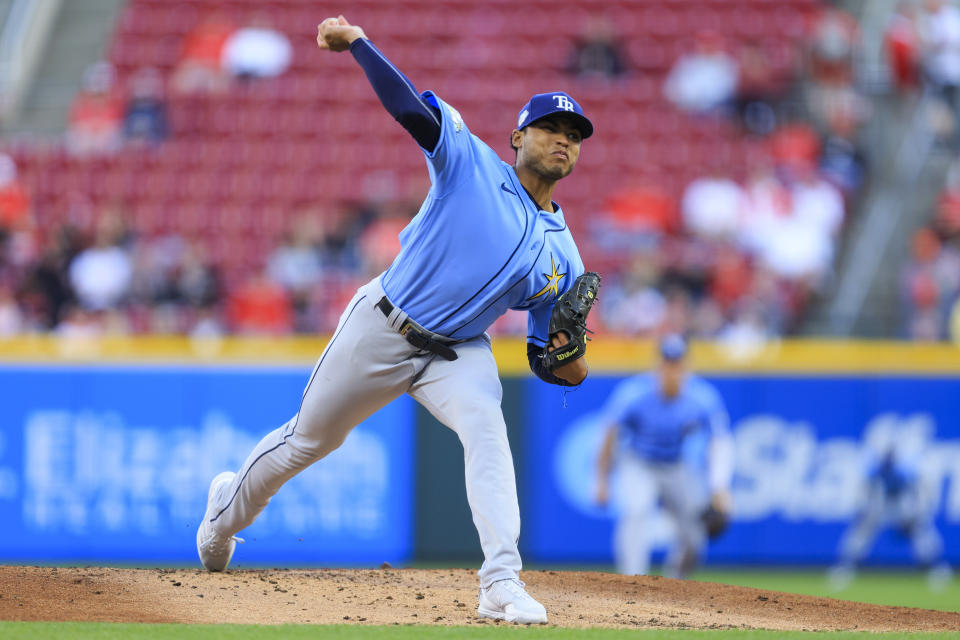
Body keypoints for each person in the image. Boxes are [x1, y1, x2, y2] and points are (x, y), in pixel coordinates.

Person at [196, 14, 597, 626]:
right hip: (384, 323)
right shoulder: (473, 164)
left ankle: (501, 582)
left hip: (458, 350)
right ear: (518, 136)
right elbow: (413, 111)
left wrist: (569, 360)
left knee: (487, 428)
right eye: (549, 127)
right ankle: (224, 513)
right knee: (309, 441)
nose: (562, 139)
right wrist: (359, 44)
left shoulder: (565, 253)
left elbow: (552, 360)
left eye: (573, 133)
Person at [594, 334, 733, 578]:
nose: (673, 370)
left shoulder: (701, 396)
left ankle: (674, 585)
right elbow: (609, 434)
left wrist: (720, 487)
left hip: (676, 465)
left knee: (695, 535)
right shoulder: (635, 392)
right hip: (639, 463)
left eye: (678, 364)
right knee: (637, 510)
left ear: (687, 365)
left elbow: (720, 441)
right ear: (658, 365)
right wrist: (602, 481)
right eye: (668, 363)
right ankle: (632, 580)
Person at [829, 445, 953, 591]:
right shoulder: (875, 470)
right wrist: (863, 508)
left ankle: (936, 569)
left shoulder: (904, 471)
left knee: (921, 532)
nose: (887, 461)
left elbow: (918, 491)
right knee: (861, 532)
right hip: (881, 505)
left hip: (902, 506)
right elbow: (865, 490)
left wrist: (916, 511)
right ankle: (845, 568)